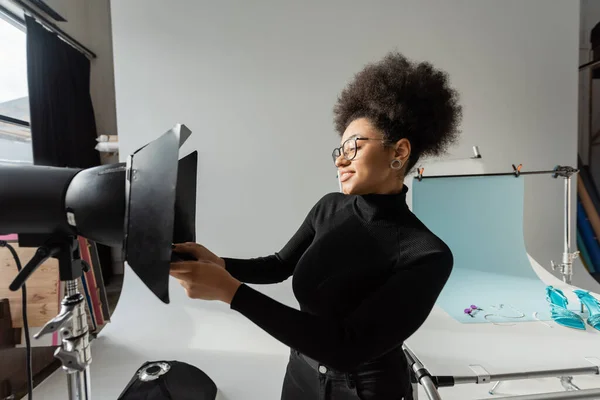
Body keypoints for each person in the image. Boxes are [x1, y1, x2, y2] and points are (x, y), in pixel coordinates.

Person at [170, 51, 462, 400]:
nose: (340, 159)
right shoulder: (329, 207)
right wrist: (217, 263)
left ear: (398, 152)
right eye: (338, 149)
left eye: (353, 146)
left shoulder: (427, 255)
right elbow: (279, 265)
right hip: (300, 374)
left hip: (365, 390)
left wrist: (231, 292)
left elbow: (348, 347)